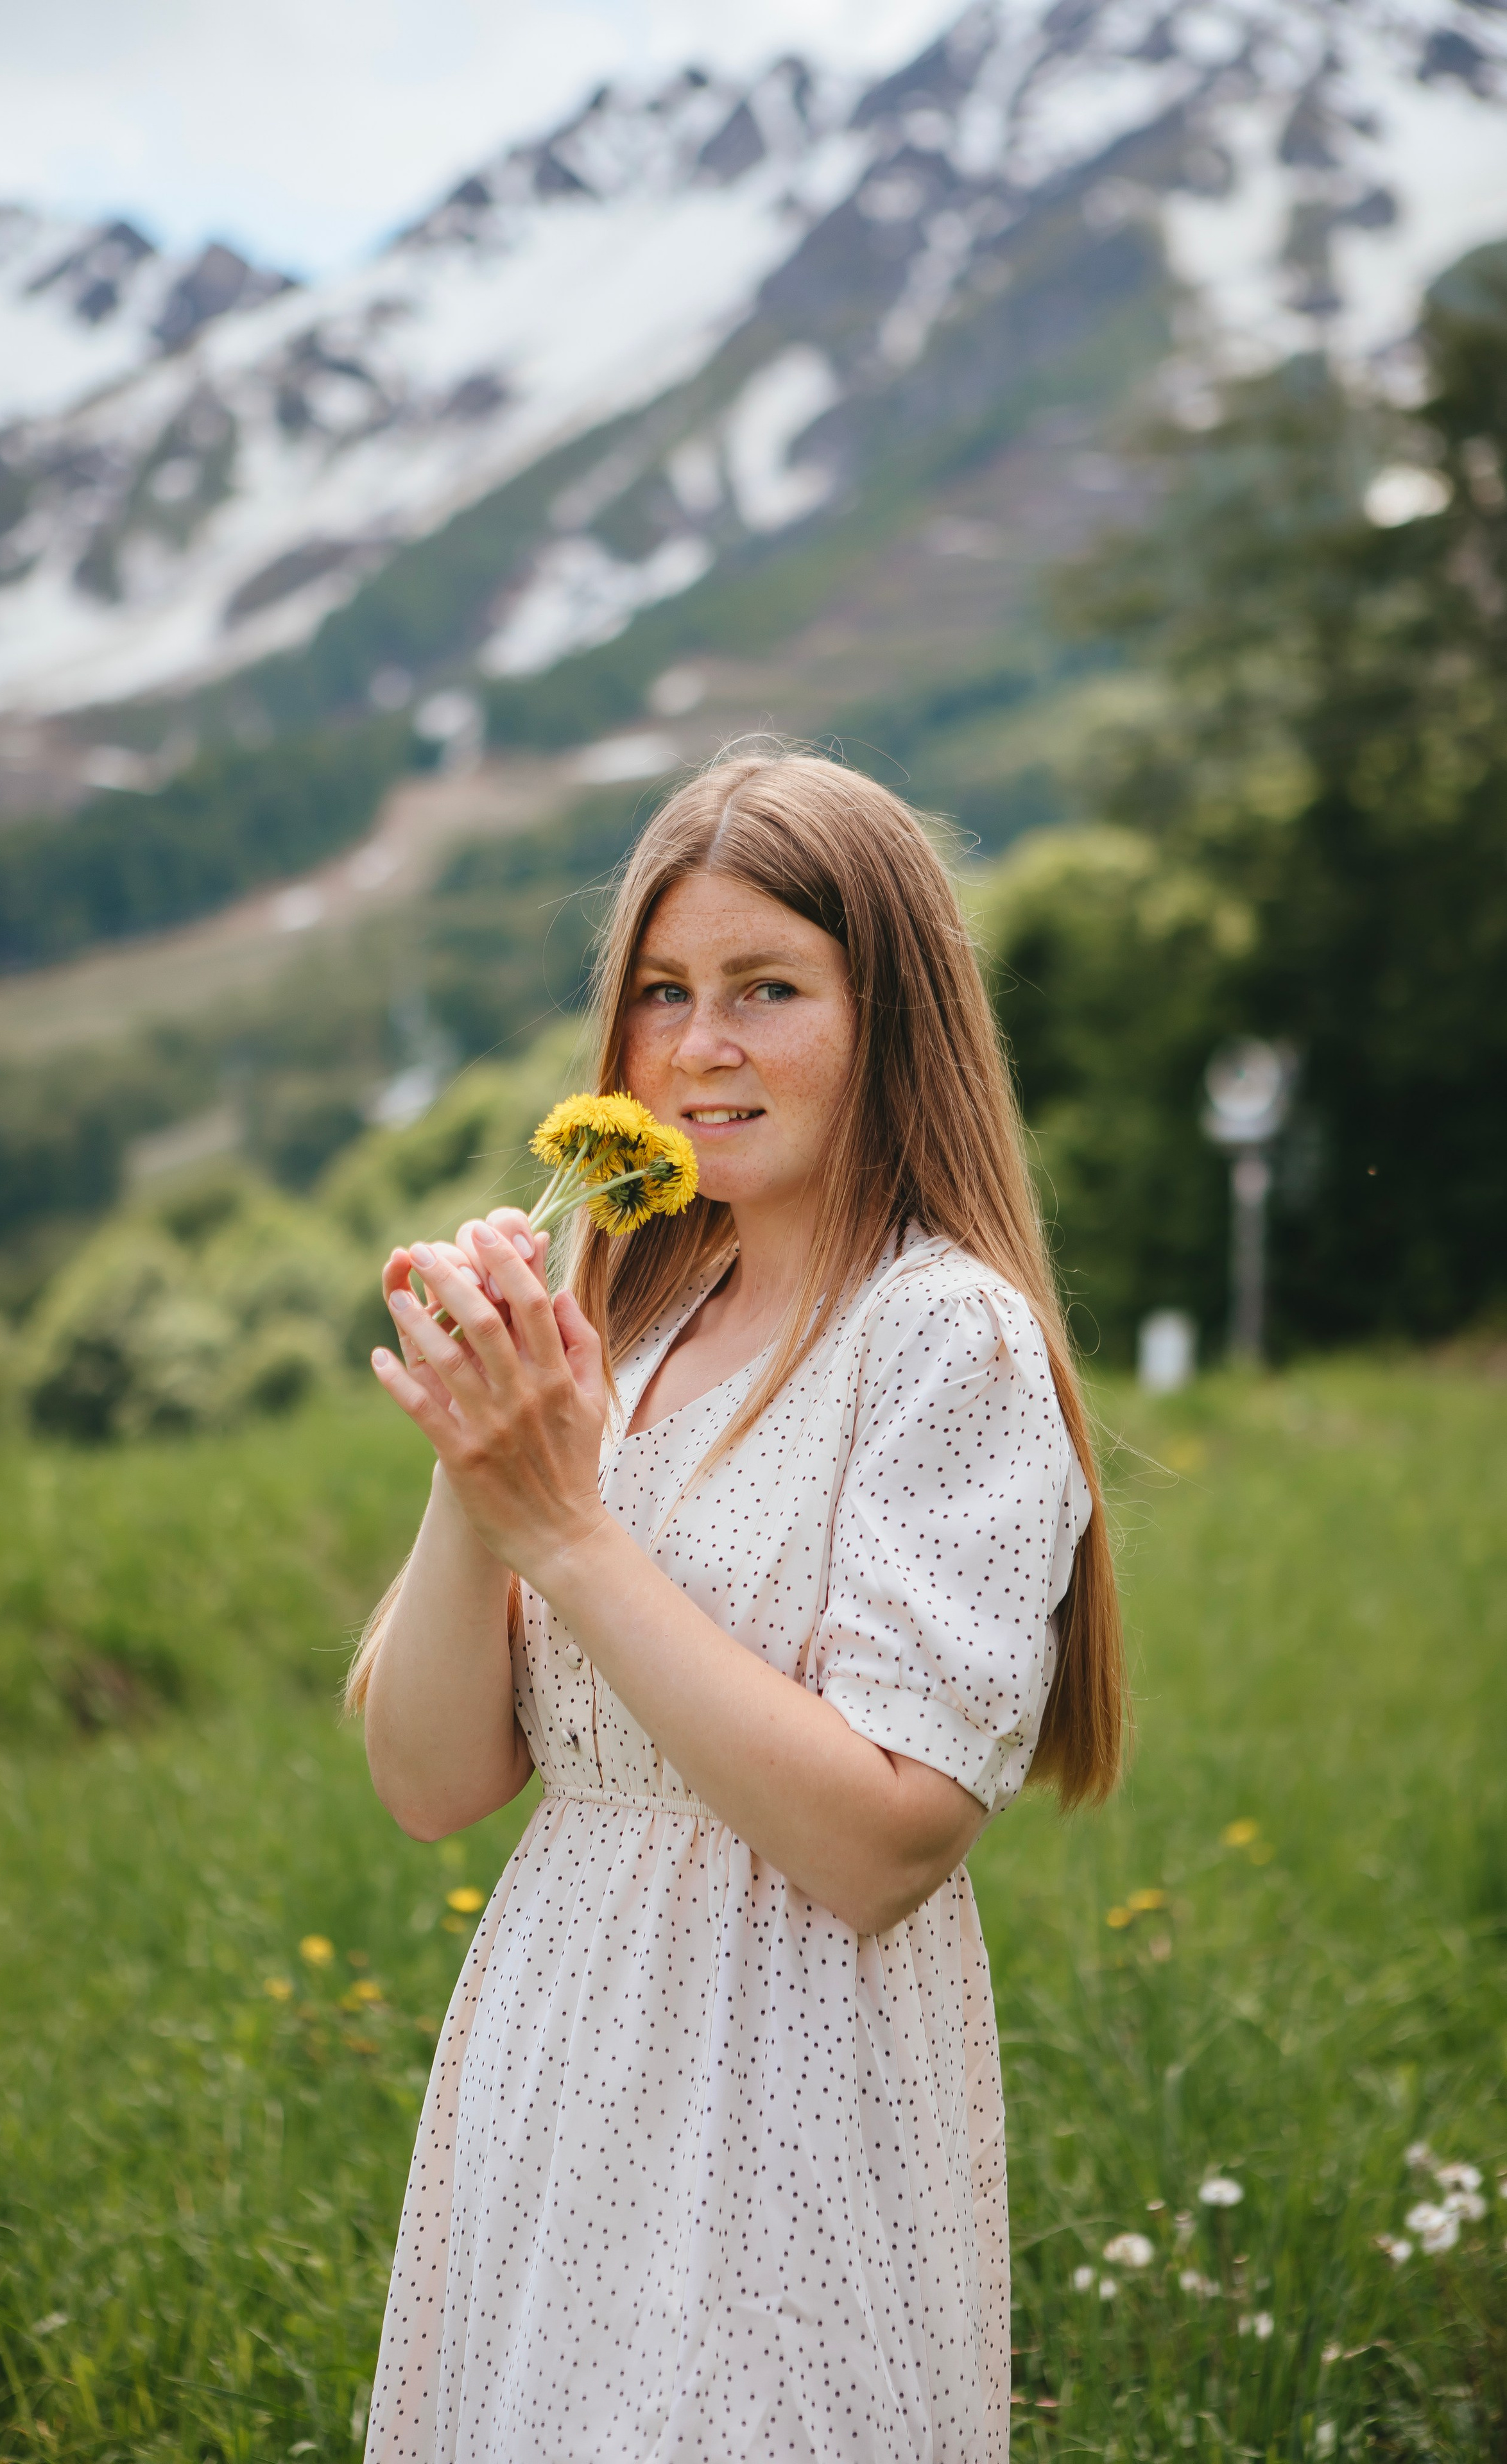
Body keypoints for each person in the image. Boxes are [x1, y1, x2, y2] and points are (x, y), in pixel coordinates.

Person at [348, 751, 1124, 2463]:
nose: (702, 1046)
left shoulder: (944, 1339)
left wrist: (567, 1529)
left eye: (768, 989)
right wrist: (488, 1436)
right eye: (662, 993)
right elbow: (428, 1783)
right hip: (558, 2065)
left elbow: (884, 1845)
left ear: (891, 1020)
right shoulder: (630, 1330)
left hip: (785, 2097)